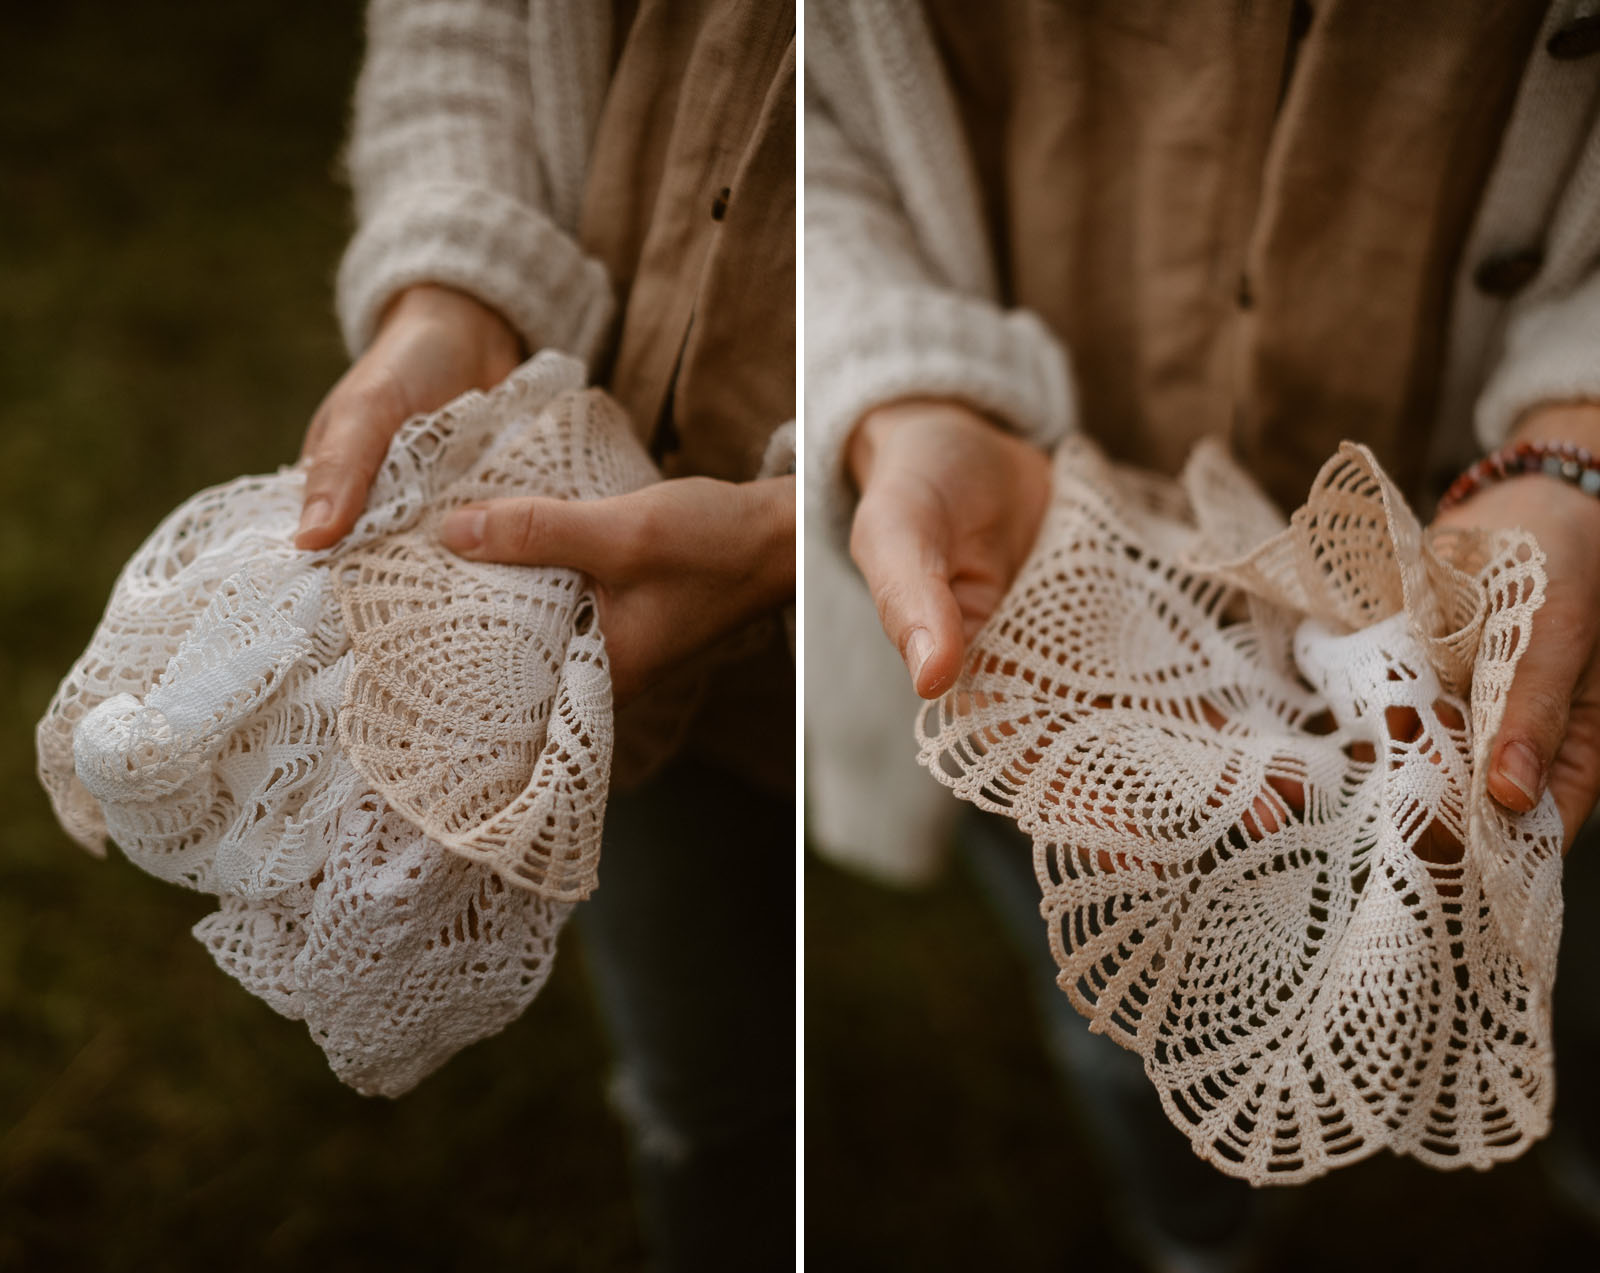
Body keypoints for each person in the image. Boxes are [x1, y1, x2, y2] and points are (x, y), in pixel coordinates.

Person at [806, 0, 1600, 1265]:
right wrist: (899, 397)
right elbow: (786, 108)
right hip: (1049, 594)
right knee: (1130, 1008)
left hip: (1505, 579)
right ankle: (1196, 1229)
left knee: (1555, 924)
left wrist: (1581, 436)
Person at [296, 3, 796, 1268]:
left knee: (1114, 1017)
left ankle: (1188, 1231)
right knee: (702, 1069)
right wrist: (449, 289)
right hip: (608, 585)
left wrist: (813, 516)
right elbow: (461, 21)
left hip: (1020, 561)